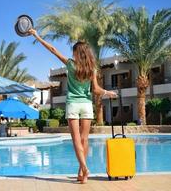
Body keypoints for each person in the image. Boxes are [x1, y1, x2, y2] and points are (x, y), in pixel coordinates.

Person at [28, 29, 117, 184]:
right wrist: (107, 92)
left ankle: (85, 168)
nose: (73, 54)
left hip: (73, 105)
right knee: (84, 139)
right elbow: (95, 89)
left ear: (78, 53)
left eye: (74, 51)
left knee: (76, 140)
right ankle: (82, 173)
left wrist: (37, 36)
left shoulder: (70, 65)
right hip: (87, 105)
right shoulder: (92, 69)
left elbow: (53, 50)